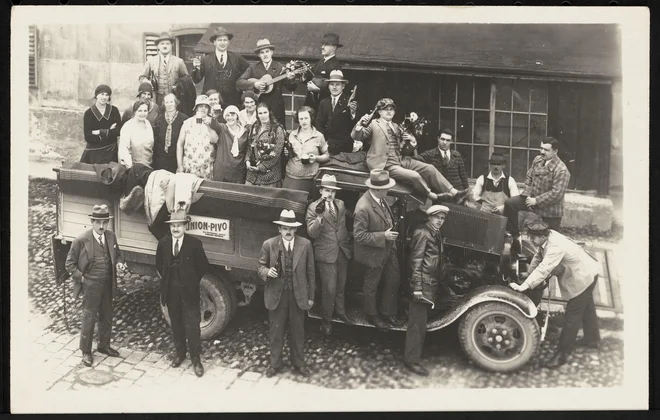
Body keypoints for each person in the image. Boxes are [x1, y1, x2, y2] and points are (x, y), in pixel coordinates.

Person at [509, 222, 600, 369]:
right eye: (529, 237)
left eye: (533, 238)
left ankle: (561, 355)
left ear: (544, 236)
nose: (531, 240)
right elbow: (538, 259)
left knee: (572, 316)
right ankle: (592, 339)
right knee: (587, 307)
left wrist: (524, 286)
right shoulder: (547, 237)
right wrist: (528, 278)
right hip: (587, 269)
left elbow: (544, 268)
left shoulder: (555, 247)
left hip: (584, 275)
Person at [352, 98, 469, 203]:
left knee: (430, 168)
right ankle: (432, 195)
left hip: (400, 160)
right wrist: (359, 124)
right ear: (379, 112)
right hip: (386, 164)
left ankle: (454, 193)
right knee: (415, 176)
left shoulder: (397, 126)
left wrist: (412, 141)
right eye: (385, 109)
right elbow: (358, 136)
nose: (389, 112)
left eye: (391, 109)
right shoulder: (374, 124)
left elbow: (403, 149)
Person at [65, 204, 127, 367]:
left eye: (104, 222)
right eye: (98, 222)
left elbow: (118, 256)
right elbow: (69, 264)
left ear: (107, 223)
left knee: (107, 315)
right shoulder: (81, 240)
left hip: (107, 284)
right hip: (90, 285)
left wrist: (120, 264)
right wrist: (83, 279)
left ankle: (103, 346)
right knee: (89, 316)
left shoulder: (111, 237)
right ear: (92, 222)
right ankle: (86, 351)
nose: (101, 226)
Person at [258, 209, 316, 378]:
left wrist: (311, 297)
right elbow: (260, 267)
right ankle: (275, 364)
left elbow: (311, 273)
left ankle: (298, 363)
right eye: (284, 228)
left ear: (296, 229)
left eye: (291, 228)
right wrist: (267, 272)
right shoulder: (269, 245)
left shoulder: (305, 245)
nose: (288, 231)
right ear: (279, 229)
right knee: (276, 331)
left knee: (298, 331)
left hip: (298, 295)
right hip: (277, 295)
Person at [155, 209, 209, 377]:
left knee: (192, 326)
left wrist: (190, 281)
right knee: (176, 324)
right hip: (171, 292)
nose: (176, 229)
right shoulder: (163, 243)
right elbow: (159, 265)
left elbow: (203, 267)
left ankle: (196, 359)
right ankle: (180, 354)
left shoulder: (195, 244)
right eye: (173, 226)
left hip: (189, 292)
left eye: (179, 225)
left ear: (185, 226)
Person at [353, 169, 403, 330]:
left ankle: (388, 313)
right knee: (371, 285)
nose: (389, 190)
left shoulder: (381, 199)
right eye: (386, 187)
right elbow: (359, 236)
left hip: (388, 249)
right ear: (377, 189)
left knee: (393, 279)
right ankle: (372, 315)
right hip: (374, 253)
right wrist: (384, 236)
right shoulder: (363, 207)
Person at [305, 174, 353, 336]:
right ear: (321, 190)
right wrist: (319, 218)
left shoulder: (340, 204)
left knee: (341, 285)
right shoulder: (313, 208)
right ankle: (326, 320)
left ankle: (340, 311)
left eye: (333, 191)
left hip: (342, 250)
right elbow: (311, 233)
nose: (330, 194)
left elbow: (344, 222)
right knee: (329, 289)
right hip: (326, 254)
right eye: (327, 190)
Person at [503, 137, 570, 251]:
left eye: (546, 150)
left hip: (550, 208)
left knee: (552, 241)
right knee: (510, 204)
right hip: (531, 199)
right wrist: (528, 194)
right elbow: (529, 176)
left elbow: (556, 194)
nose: (542, 152)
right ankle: (515, 236)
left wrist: (536, 200)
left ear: (555, 151)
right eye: (541, 148)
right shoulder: (538, 159)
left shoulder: (562, 170)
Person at [404, 205, 448, 376]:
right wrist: (417, 288)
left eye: (442, 218)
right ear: (429, 217)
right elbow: (415, 262)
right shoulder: (423, 233)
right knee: (417, 324)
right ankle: (411, 360)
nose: (439, 221)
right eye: (437, 217)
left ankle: (416, 353)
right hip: (423, 284)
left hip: (431, 282)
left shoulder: (435, 232)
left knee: (421, 323)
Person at [236, 39, 298, 127]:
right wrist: (254, 84)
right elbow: (239, 82)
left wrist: (291, 79)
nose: (265, 55)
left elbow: (292, 88)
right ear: (258, 55)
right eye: (262, 52)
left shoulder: (280, 67)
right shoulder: (253, 67)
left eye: (267, 51)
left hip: (276, 107)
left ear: (271, 52)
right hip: (259, 107)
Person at [192, 26, 250, 108]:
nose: (222, 43)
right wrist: (195, 68)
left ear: (228, 42)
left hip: (232, 101)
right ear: (214, 42)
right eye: (220, 40)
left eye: (225, 40)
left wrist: (243, 83)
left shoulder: (236, 58)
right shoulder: (206, 59)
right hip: (212, 101)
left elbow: (249, 69)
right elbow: (196, 80)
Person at [283, 106, 330, 193]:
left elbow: (327, 156)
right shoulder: (292, 135)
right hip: (291, 176)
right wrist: (286, 154)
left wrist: (315, 158)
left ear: (311, 118)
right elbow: (289, 155)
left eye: (306, 118)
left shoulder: (318, 136)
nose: (303, 121)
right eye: (301, 119)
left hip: (308, 178)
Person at [314, 70, 358, 155]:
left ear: (343, 86)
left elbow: (354, 125)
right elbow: (319, 123)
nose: (334, 87)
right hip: (326, 142)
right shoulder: (323, 102)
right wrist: (323, 141)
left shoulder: (349, 102)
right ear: (329, 86)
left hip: (343, 145)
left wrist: (353, 112)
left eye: (337, 84)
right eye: (332, 84)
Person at [140, 32, 189, 107]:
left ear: (171, 46)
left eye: (167, 44)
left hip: (174, 97)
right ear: (158, 46)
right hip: (156, 97)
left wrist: (179, 85)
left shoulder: (179, 61)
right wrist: (147, 82)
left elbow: (186, 79)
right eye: (162, 44)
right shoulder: (151, 61)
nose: (165, 46)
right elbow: (142, 77)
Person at [176, 95, 219, 180]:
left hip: (206, 169)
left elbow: (215, 140)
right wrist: (180, 165)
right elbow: (179, 145)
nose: (203, 109)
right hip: (190, 167)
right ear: (196, 108)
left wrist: (208, 126)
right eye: (200, 106)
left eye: (206, 107)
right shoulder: (187, 123)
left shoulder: (212, 122)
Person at [245, 102, 286, 187]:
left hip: (269, 176)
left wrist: (261, 167)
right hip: (252, 176)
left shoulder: (277, 129)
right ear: (257, 115)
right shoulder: (254, 127)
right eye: (260, 113)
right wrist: (247, 161)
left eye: (265, 112)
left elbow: (276, 153)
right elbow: (249, 147)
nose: (263, 115)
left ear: (269, 113)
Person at [80, 84, 122, 164]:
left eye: (107, 95)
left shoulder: (114, 111)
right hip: (94, 152)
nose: (104, 97)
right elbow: (88, 137)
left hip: (111, 151)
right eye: (102, 94)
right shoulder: (89, 113)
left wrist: (99, 132)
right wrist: (110, 132)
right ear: (96, 96)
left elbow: (119, 130)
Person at [303, 33, 343, 111]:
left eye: (326, 44)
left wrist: (317, 89)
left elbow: (336, 90)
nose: (322, 47)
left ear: (334, 47)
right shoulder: (319, 62)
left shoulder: (336, 66)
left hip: (323, 108)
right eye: (322, 44)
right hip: (311, 105)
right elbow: (310, 78)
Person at [212, 105, 249, 184]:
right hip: (222, 171)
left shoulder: (245, 132)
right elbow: (214, 124)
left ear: (237, 116)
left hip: (238, 171)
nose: (230, 117)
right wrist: (214, 117)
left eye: (232, 115)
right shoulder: (223, 128)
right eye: (227, 115)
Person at [152, 93, 188, 173]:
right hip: (160, 159)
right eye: (167, 102)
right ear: (164, 104)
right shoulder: (159, 119)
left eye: (171, 102)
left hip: (176, 158)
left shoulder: (184, 119)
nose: (169, 104)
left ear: (176, 103)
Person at [118, 100, 154, 168]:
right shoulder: (128, 126)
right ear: (134, 112)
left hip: (148, 166)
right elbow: (124, 150)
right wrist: (131, 168)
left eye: (145, 111)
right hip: (134, 168)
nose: (143, 113)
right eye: (140, 111)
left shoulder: (148, 123)